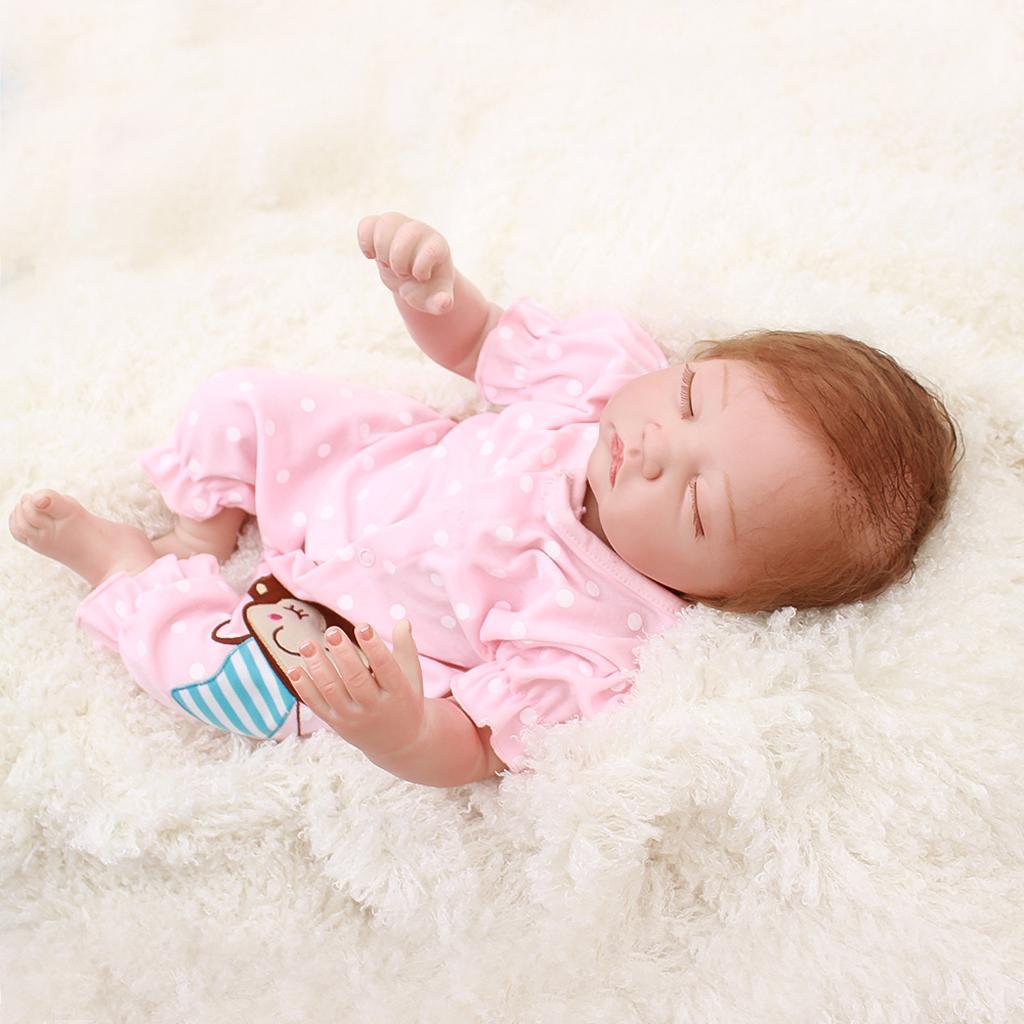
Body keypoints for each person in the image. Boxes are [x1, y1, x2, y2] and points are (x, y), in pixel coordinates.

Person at [8, 212, 962, 788]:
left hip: (336, 629)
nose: (657, 450)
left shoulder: (602, 636)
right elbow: (476, 345)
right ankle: (201, 527)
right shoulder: (596, 383)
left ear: (721, 594)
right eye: (688, 399)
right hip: (362, 473)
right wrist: (435, 291)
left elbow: (473, 748)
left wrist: (398, 731)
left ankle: (127, 571)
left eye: (699, 507)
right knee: (244, 400)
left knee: (229, 686)